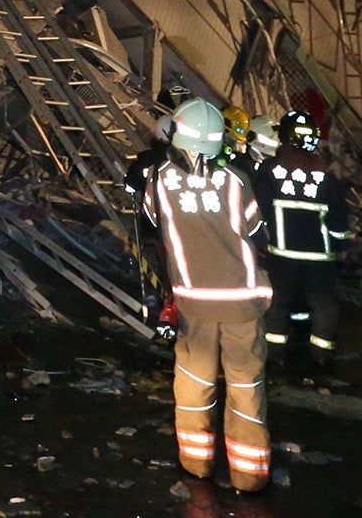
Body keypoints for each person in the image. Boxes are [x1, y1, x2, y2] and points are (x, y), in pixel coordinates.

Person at [143, 98, 272, 494]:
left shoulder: (158, 180)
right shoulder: (235, 180)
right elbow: (257, 233)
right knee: (246, 385)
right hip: (242, 301)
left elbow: (154, 222)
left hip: (194, 301)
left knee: (194, 382)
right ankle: (249, 476)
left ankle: (196, 464)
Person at [255, 111, 350, 380]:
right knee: (323, 306)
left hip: (281, 255)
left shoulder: (270, 171)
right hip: (321, 257)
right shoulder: (325, 175)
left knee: (278, 305)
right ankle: (322, 358)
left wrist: (257, 242)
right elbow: (339, 217)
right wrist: (340, 245)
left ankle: (275, 358)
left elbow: (255, 210)